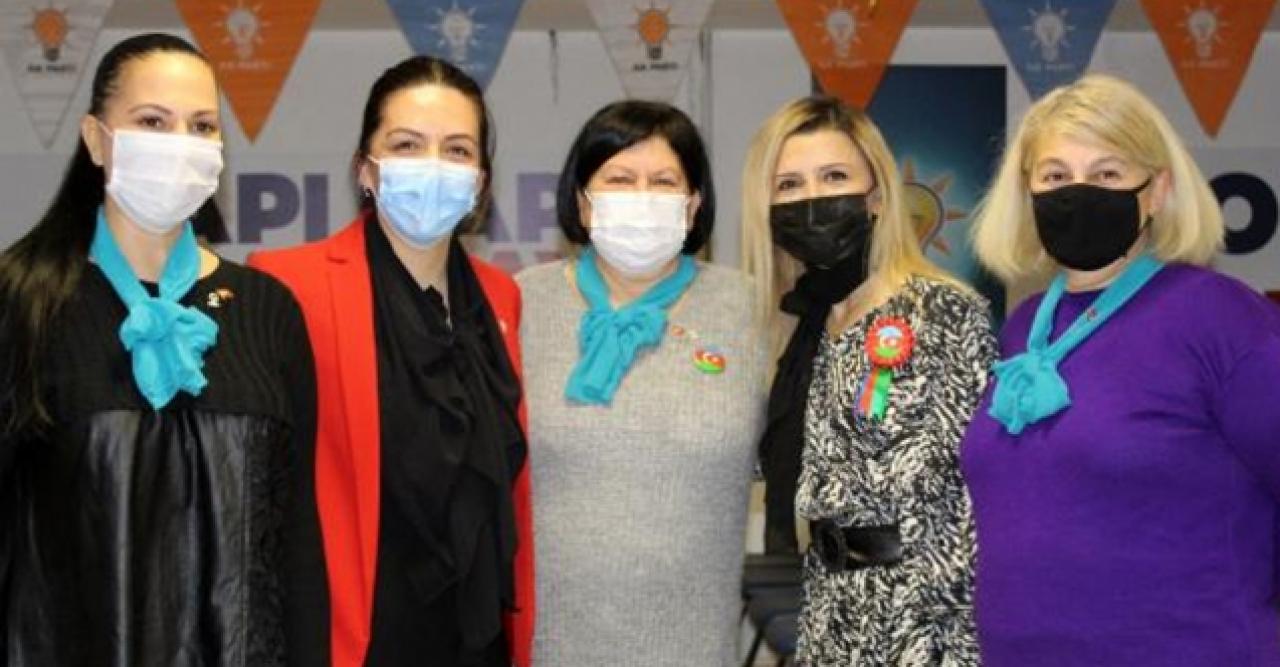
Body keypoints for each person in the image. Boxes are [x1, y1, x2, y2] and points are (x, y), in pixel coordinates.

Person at [0, 33, 326, 665]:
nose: (180, 142)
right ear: (96, 139)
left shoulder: (268, 311)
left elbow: (298, 544)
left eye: (201, 126)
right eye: (153, 121)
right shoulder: (24, 302)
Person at [962, 73, 1280, 666]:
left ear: (1157, 191)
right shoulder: (1027, 326)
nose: (1077, 192)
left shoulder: (1221, 318)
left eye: (1107, 173)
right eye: (1055, 175)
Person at [248, 55, 534, 667]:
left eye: (457, 150)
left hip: (477, 635)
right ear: (365, 168)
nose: (433, 165)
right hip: (358, 634)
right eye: (407, 144)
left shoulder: (500, 298)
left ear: (480, 181)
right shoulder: (290, 285)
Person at [741, 96, 996, 665]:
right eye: (789, 185)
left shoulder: (941, 312)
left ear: (877, 195)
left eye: (834, 177)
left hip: (923, 623)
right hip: (827, 611)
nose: (812, 199)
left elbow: (974, 496)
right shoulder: (797, 330)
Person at [516, 100, 767, 666]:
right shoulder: (521, 302)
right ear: (583, 201)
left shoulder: (750, 308)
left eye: (663, 182)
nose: (642, 197)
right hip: (547, 646)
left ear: (693, 203)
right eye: (620, 179)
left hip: (695, 646)